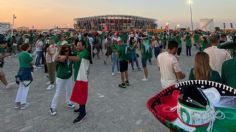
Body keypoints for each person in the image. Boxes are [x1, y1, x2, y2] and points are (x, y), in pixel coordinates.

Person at [49, 45, 75, 116]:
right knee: (58, 92)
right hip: (61, 77)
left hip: (69, 76)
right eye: (66, 50)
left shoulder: (70, 56)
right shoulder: (61, 56)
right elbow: (54, 58)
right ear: (63, 51)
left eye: (68, 50)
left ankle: (68, 102)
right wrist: (58, 51)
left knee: (69, 90)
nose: (67, 52)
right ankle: (52, 107)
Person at [69, 40, 90, 123]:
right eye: (76, 45)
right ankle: (81, 109)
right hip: (78, 76)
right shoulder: (79, 51)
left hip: (82, 78)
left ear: (84, 46)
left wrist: (67, 57)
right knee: (79, 93)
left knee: (81, 95)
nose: (77, 47)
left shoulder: (85, 52)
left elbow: (77, 59)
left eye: (79, 45)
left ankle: (83, 113)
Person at [15, 44, 33, 110]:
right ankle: (23, 104)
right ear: (27, 48)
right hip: (27, 71)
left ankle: (17, 103)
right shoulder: (27, 54)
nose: (30, 47)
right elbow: (32, 62)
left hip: (20, 71)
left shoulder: (20, 54)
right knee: (26, 88)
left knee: (20, 87)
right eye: (29, 46)